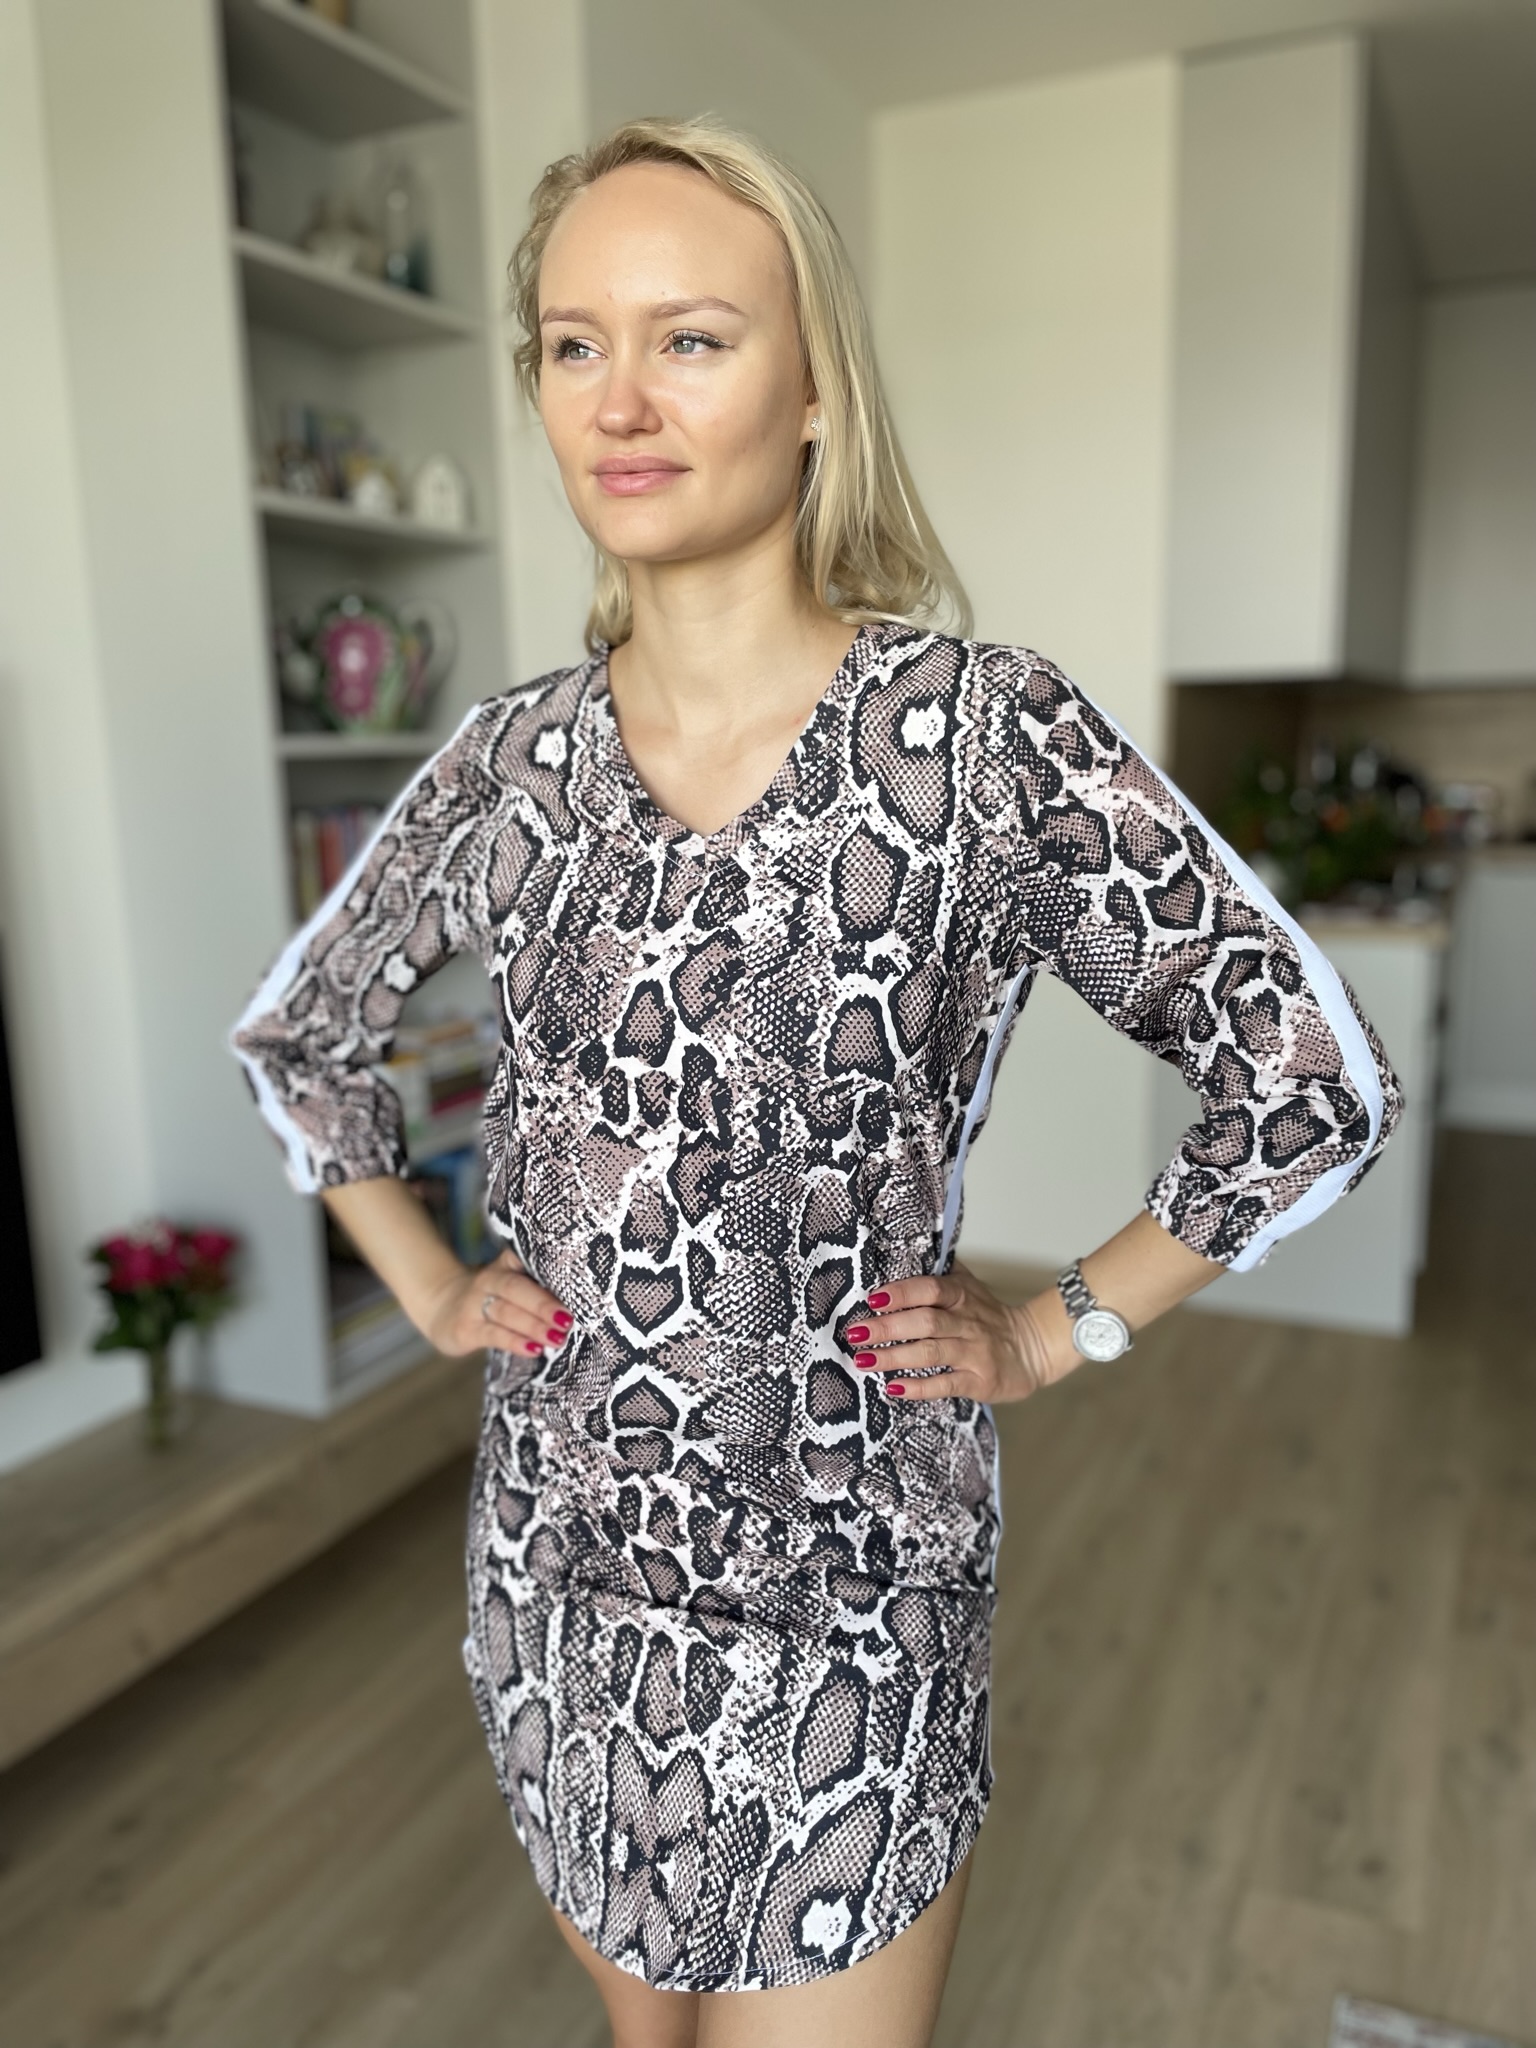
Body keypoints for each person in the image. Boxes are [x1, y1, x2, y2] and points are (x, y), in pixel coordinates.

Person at [229, 115, 1403, 2048]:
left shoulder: (981, 738)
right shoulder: (508, 761)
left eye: (690, 339)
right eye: (573, 343)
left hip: (854, 1588)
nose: (621, 400)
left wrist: (1060, 1330)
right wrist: (429, 1285)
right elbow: (308, 1030)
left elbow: (1310, 1077)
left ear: (813, 393)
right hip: (567, 1564)